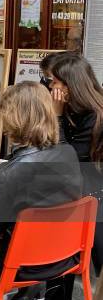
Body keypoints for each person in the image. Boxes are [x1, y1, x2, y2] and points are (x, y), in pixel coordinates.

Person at [0, 82, 82, 300]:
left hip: (17, 264)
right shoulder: (69, 153)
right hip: (61, 256)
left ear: (15, 119)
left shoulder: (11, 171)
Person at [49, 52, 103, 275]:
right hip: (81, 185)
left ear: (70, 85)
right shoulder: (76, 108)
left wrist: (57, 115)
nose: (51, 86)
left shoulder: (94, 114)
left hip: (95, 193)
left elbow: (67, 158)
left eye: (55, 81)